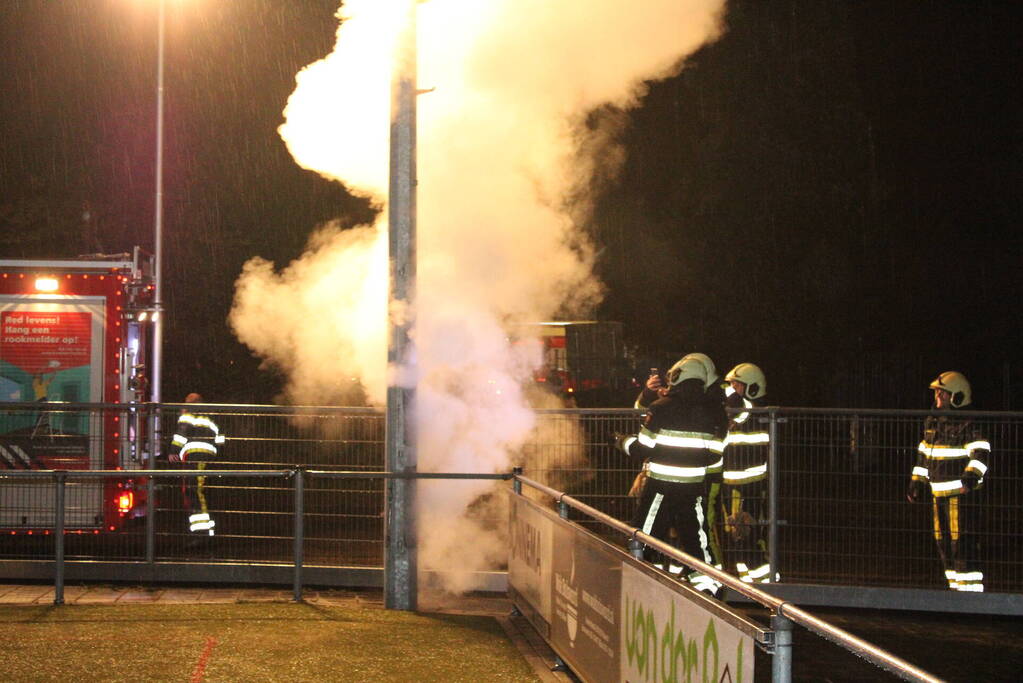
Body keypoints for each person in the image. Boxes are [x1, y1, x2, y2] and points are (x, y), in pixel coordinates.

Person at [617, 356, 724, 594]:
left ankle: (639, 593)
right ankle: (711, 596)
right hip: (695, 488)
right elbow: (715, 455)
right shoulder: (716, 411)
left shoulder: (661, 407)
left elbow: (640, 449)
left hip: (660, 488)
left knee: (643, 538)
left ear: (677, 377)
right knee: (697, 543)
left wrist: (620, 441)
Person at [907, 371, 990, 592]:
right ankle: (955, 590)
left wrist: (969, 480)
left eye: (941, 394)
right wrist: (917, 483)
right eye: (937, 394)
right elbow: (924, 454)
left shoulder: (969, 422)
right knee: (943, 544)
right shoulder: (933, 421)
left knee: (961, 544)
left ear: (957, 396)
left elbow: (980, 454)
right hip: (938, 494)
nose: (937, 399)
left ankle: (970, 594)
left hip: (961, 496)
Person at [719, 363, 773, 584]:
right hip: (732, 484)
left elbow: (736, 414)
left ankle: (767, 585)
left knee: (747, 536)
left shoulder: (749, 409)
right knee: (736, 537)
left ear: (751, 388)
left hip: (745, 484)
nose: (731, 388)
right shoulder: (739, 406)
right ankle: (747, 583)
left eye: (736, 384)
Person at [169, 392, 225, 538]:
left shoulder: (188, 415)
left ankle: (201, 533)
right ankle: (206, 530)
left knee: (193, 491)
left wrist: (173, 451)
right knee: (200, 491)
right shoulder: (211, 418)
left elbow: (181, 434)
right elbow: (220, 440)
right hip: (209, 458)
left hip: (194, 457)